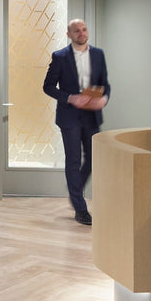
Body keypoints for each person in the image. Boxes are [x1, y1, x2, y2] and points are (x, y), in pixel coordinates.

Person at [42, 19, 111, 226]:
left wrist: (104, 99)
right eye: (76, 31)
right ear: (69, 34)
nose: (81, 33)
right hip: (69, 115)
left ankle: (75, 190)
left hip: (92, 114)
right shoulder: (60, 57)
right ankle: (81, 210)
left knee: (93, 157)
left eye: (84, 29)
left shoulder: (98, 54)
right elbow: (48, 86)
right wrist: (70, 98)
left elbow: (105, 84)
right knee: (73, 160)